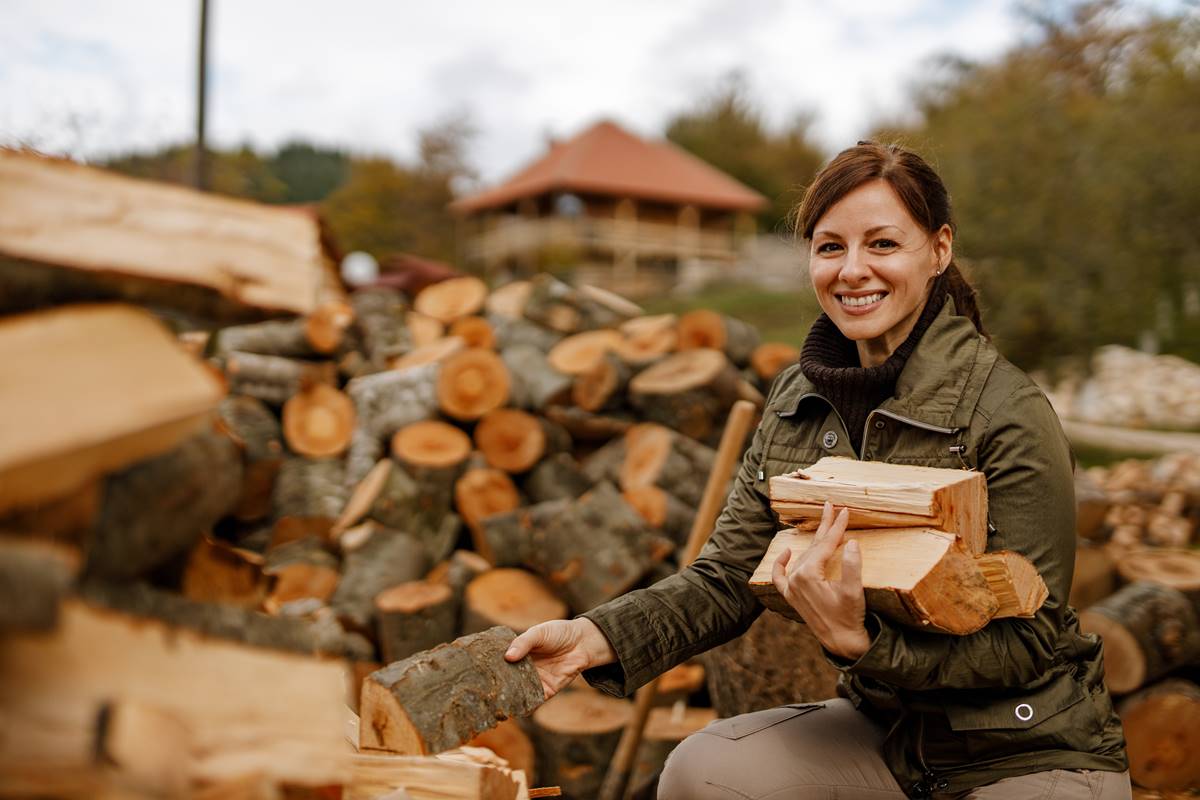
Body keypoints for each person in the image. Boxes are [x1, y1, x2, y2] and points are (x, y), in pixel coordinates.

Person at [505, 142, 1131, 799]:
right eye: (830, 247)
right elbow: (726, 578)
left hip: (1025, 747)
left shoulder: (1009, 409)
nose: (852, 270)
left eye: (883, 244)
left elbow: (1028, 646)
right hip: (884, 735)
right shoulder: (796, 397)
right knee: (702, 771)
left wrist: (865, 646)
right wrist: (592, 637)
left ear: (938, 250)